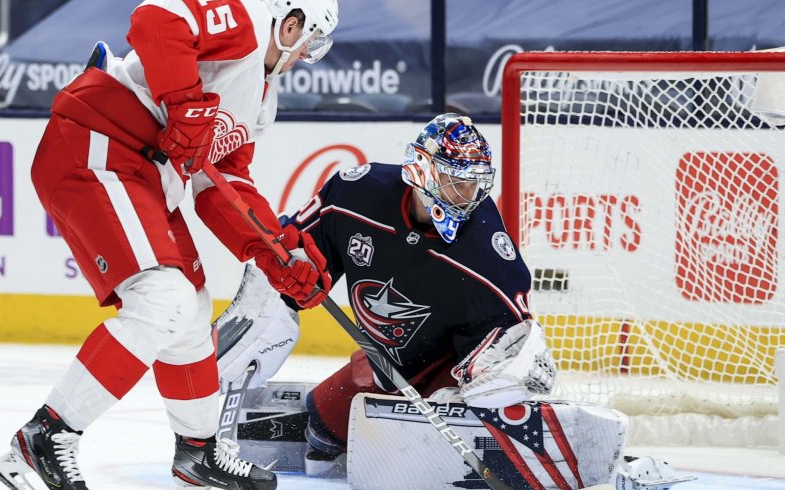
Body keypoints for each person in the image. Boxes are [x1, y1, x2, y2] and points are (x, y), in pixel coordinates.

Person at [0, 1, 337, 489]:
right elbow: (157, 16)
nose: (307, 53)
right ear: (292, 21)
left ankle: (198, 453)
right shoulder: (246, 20)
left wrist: (276, 251)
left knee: (191, 314)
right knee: (164, 297)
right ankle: (45, 437)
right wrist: (184, 102)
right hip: (98, 144)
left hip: (143, 174)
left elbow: (223, 187)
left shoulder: (260, 100)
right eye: (311, 40)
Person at [215, 113, 557, 474]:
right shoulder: (357, 192)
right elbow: (291, 250)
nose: (466, 194)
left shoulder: (487, 252)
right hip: (383, 365)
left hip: (448, 374)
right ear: (424, 170)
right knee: (323, 430)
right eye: (455, 180)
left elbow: (512, 338)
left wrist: (501, 379)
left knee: (430, 443)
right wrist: (272, 300)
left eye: (473, 184)